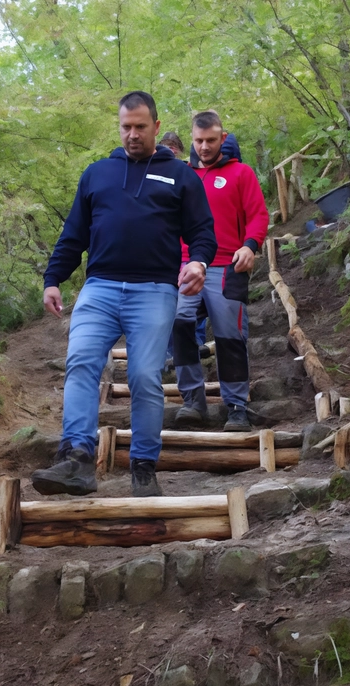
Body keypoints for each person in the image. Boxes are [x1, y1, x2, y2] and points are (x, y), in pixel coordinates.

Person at [36, 91, 217, 498]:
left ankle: (143, 467)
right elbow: (73, 235)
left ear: (155, 125)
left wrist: (198, 263)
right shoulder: (97, 173)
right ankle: (77, 459)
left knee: (143, 376)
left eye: (140, 126)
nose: (132, 134)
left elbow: (203, 233)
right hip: (98, 287)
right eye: (125, 127)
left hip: (153, 291)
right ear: (118, 127)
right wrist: (53, 279)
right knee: (81, 361)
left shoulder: (180, 175)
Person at [173, 113, 269, 432]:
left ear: (222, 136)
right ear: (192, 138)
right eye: (198, 140)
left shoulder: (241, 173)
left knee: (229, 336)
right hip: (187, 265)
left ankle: (237, 405)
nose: (204, 146)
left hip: (228, 264)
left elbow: (258, 215)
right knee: (180, 325)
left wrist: (250, 245)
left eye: (211, 140)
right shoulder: (182, 175)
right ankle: (192, 401)